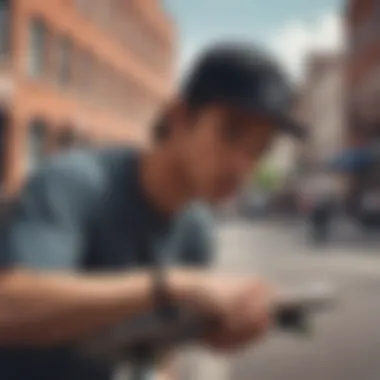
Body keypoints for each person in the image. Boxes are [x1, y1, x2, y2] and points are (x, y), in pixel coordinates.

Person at [0, 42, 305, 380]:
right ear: (179, 117)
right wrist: (173, 285)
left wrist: (210, 335)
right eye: (231, 133)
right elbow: (9, 306)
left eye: (260, 149)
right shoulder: (74, 183)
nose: (242, 165)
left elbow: (157, 352)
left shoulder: (197, 232)